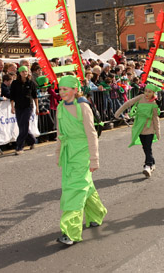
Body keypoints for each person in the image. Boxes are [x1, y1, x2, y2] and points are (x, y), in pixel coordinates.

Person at [55, 75, 107, 246]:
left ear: (75, 89)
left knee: (74, 190)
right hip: (69, 154)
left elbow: (92, 134)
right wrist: (58, 154)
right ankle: (97, 213)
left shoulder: (83, 107)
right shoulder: (60, 107)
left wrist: (94, 159)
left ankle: (70, 232)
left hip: (83, 153)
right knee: (85, 186)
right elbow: (59, 135)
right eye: (60, 89)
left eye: (65, 89)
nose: (62, 92)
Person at [114, 83, 161, 178]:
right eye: (146, 91)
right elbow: (128, 103)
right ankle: (152, 163)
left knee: (147, 147)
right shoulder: (141, 97)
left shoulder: (154, 104)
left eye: (149, 92)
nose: (147, 93)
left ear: (153, 93)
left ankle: (147, 166)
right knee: (145, 147)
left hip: (149, 128)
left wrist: (157, 131)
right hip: (139, 127)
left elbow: (156, 119)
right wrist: (118, 113)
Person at [10, 66, 39, 155]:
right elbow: (12, 96)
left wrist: (37, 107)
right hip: (18, 107)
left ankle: (19, 146)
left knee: (24, 124)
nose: (24, 73)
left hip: (28, 106)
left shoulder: (31, 83)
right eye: (22, 72)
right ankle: (32, 140)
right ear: (20, 73)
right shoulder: (15, 83)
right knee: (21, 126)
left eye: (26, 71)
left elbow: (35, 96)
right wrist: (12, 107)